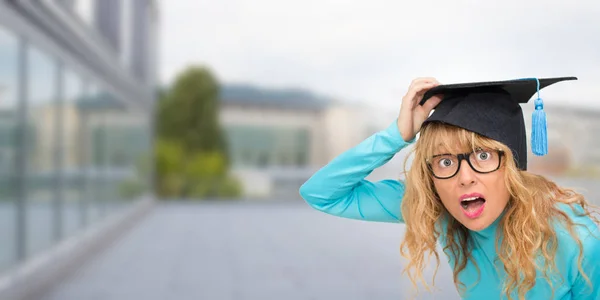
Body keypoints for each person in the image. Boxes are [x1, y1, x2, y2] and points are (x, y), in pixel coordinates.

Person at [298, 77, 600, 300]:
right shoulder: (438, 204)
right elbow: (322, 193)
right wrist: (397, 135)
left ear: (511, 163)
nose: (464, 177)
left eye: (483, 156)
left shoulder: (576, 240)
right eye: (444, 161)